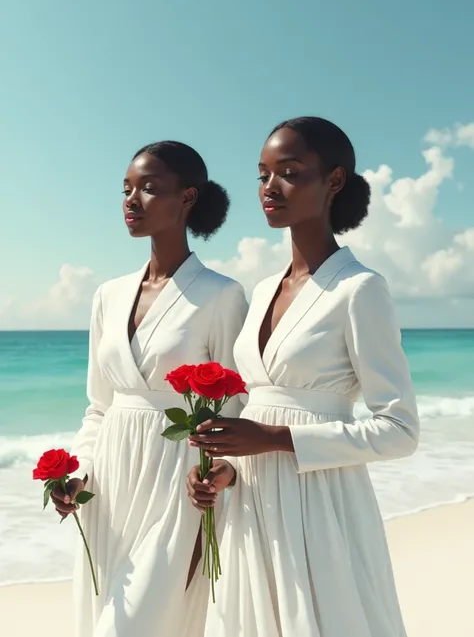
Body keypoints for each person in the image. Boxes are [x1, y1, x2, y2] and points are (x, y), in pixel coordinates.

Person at [187, 117, 419, 637]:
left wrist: (274, 438)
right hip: (252, 504)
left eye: (288, 173)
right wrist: (224, 469)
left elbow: (400, 430)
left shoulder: (360, 289)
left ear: (334, 181)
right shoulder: (265, 288)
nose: (270, 188)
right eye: (263, 175)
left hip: (321, 505)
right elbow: (257, 406)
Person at [51, 141, 248, 637]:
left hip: (178, 483)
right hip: (111, 487)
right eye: (126, 189)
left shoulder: (221, 294)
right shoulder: (108, 295)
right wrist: (80, 472)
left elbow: (240, 404)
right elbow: (100, 405)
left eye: (148, 188)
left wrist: (225, 471)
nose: (131, 200)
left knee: (133, 626)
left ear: (187, 197)